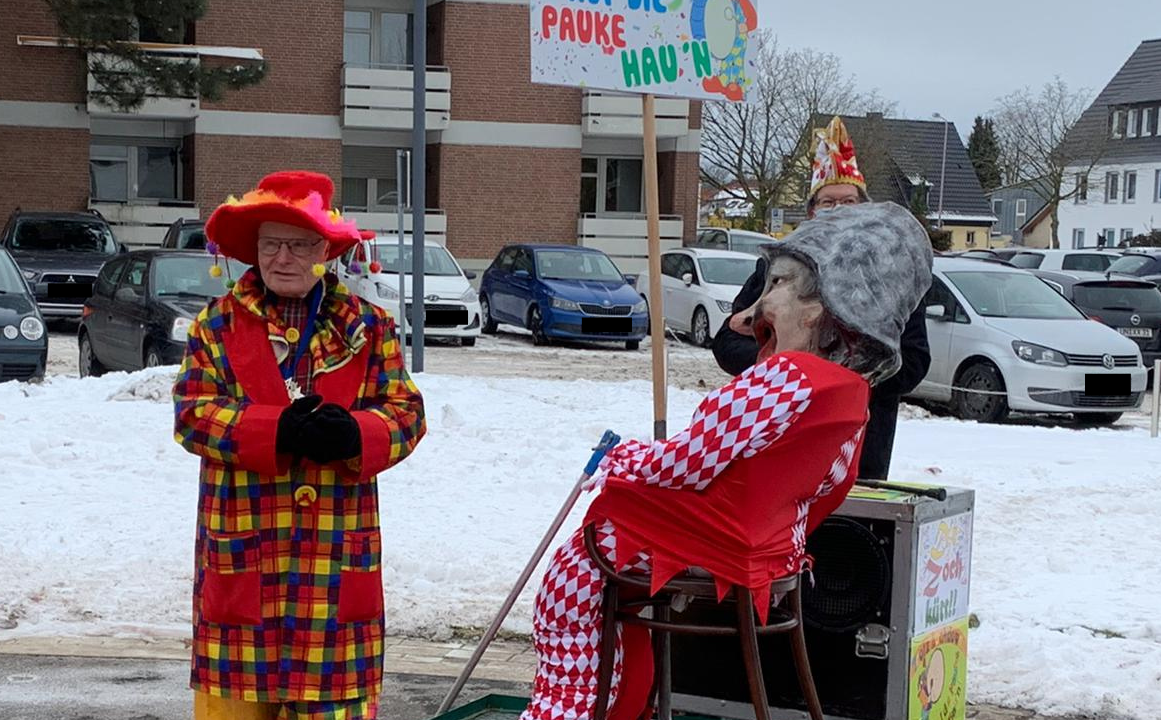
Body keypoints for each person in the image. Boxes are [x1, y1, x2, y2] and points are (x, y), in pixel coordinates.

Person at [520, 202, 933, 720]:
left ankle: (568, 708)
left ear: (818, 306)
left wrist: (623, 458)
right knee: (624, 604)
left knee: (569, 588)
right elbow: (828, 488)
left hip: (707, 542)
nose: (750, 312)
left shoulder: (784, 379)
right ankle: (627, 705)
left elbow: (687, 463)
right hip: (768, 554)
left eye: (777, 284)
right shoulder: (850, 395)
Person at [172, 170, 427, 720]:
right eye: (270, 244)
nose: (281, 258)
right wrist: (275, 430)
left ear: (327, 251)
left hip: (333, 569)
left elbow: (406, 413)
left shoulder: (371, 327)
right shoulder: (215, 327)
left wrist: (358, 433)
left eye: (298, 244)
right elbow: (192, 415)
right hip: (244, 558)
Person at [712, 116, 931, 480]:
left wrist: (844, 371)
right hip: (778, 437)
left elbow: (913, 362)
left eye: (848, 202)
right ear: (812, 212)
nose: (839, 210)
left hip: (859, 445)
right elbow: (728, 342)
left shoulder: (894, 279)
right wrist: (791, 369)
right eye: (828, 203)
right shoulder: (778, 271)